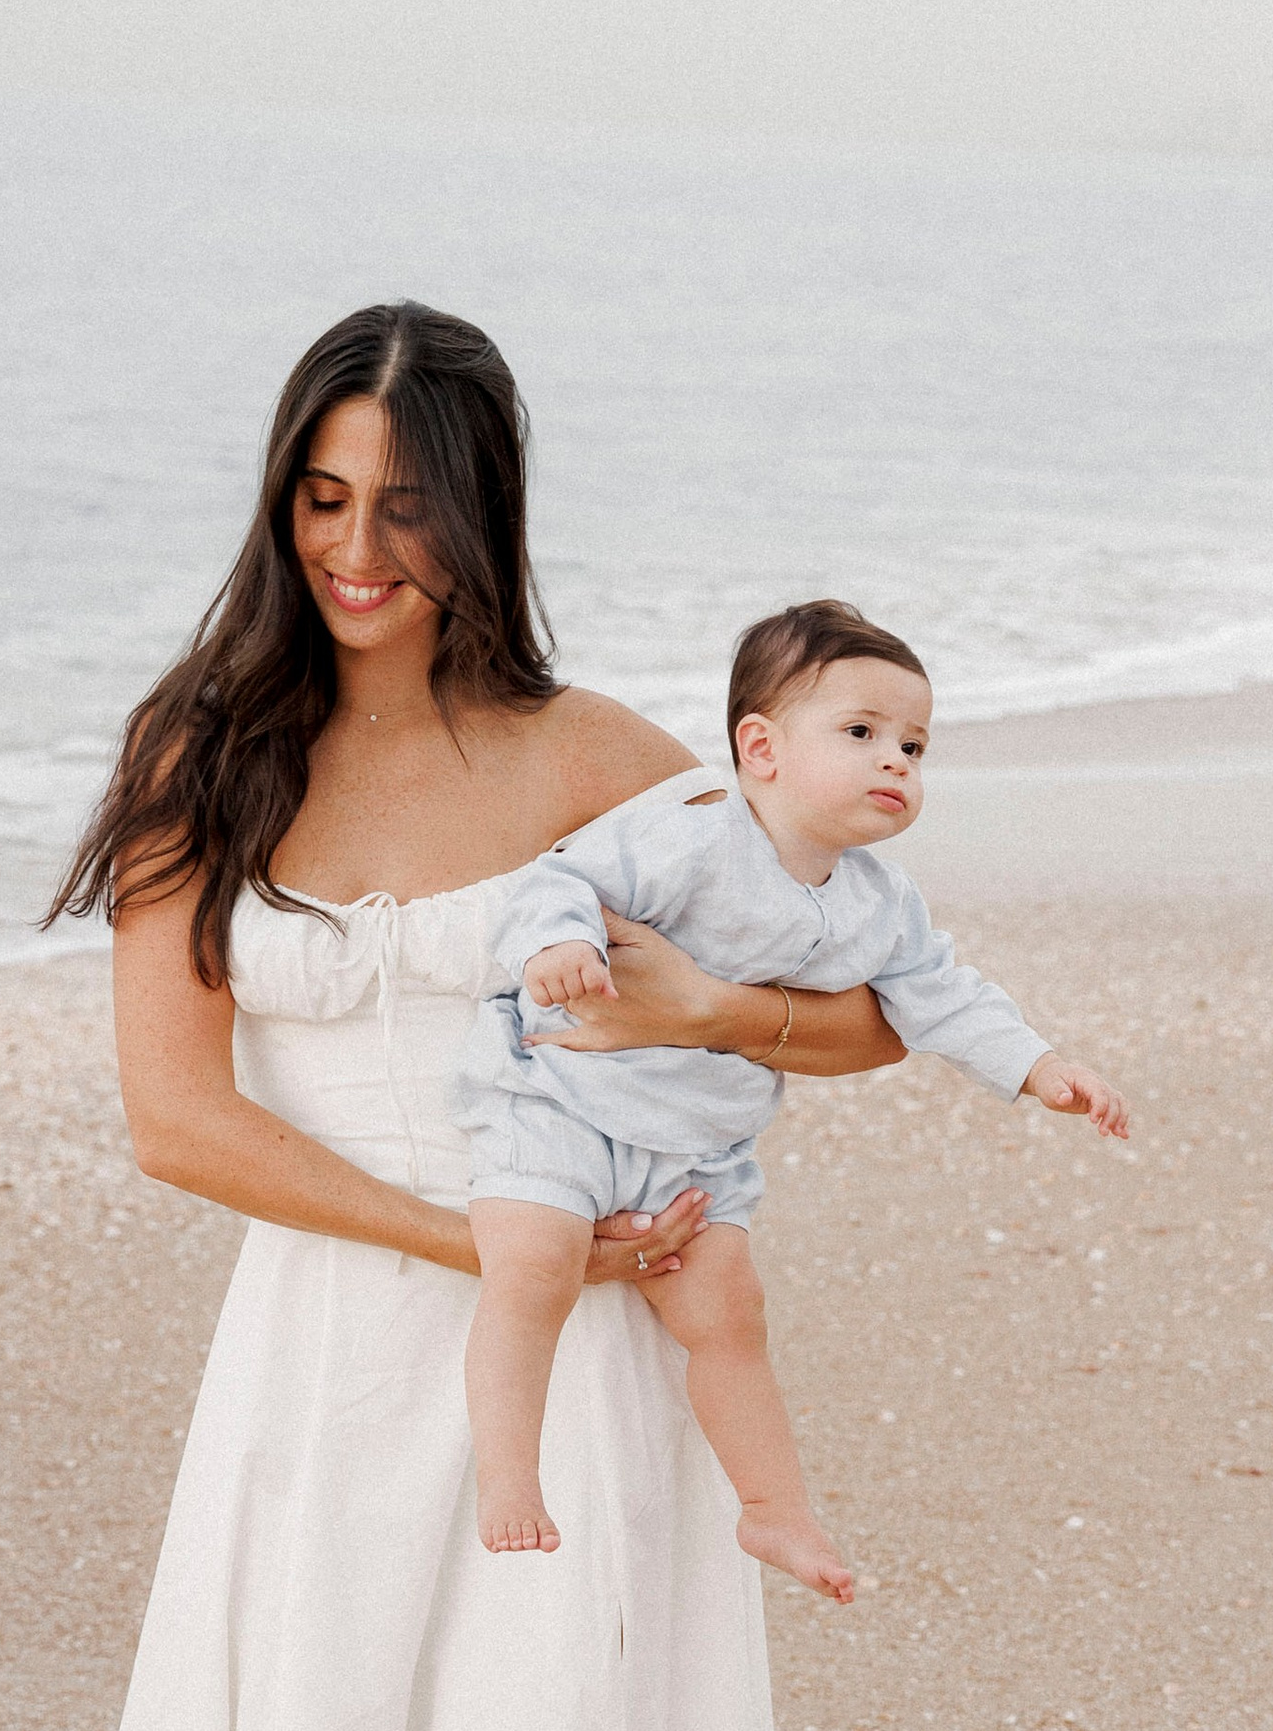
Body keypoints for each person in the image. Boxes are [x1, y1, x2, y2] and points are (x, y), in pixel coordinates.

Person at [28, 305, 905, 1731]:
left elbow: (865, 1015)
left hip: (570, 1373)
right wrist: (471, 1242)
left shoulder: (600, 761)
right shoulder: (204, 746)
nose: (356, 549)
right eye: (321, 498)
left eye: (402, 506)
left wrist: (705, 1007)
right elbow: (175, 1119)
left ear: (481, 513)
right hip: (331, 1352)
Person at [458, 597, 1130, 1585]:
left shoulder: (880, 903)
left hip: (697, 1143)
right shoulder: (691, 838)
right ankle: (508, 1475)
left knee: (731, 1313)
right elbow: (557, 880)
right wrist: (560, 942)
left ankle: (774, 1510)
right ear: (761, 748)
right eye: (861, 733)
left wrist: (1038, 1066)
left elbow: (941, 993)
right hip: (560, 1095)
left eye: (913, 745)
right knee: (531, 1266)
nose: (895, 761)